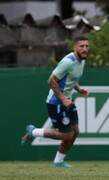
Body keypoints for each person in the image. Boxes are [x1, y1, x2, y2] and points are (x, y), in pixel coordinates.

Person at [21, 36, 90, 168]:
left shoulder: (82, 61)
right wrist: (63, 99)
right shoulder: (68, 61)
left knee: (75, 132)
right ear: (75, 47)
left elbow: (71, 78)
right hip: (56, 102)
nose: (84, 49)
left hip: (67, 101)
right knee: (66, 134)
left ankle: (58, 162)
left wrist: (79, 89)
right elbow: (51, 80)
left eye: (87, 46)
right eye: (81, 46)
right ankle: (33, 132)